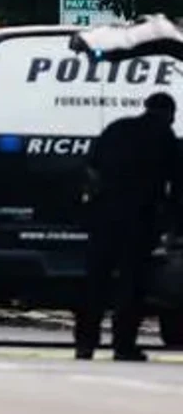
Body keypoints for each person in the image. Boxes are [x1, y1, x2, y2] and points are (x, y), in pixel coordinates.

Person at [79, 92, 181, 362]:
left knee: (95, 283)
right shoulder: (165, 138)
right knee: (131, 285)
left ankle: (85, 343)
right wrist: (172, 225)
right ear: (170, 114)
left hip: (105, 216)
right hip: (140, 220)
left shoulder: (116, 129)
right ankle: (123, 345)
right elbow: (177, 186)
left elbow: (91, 169)